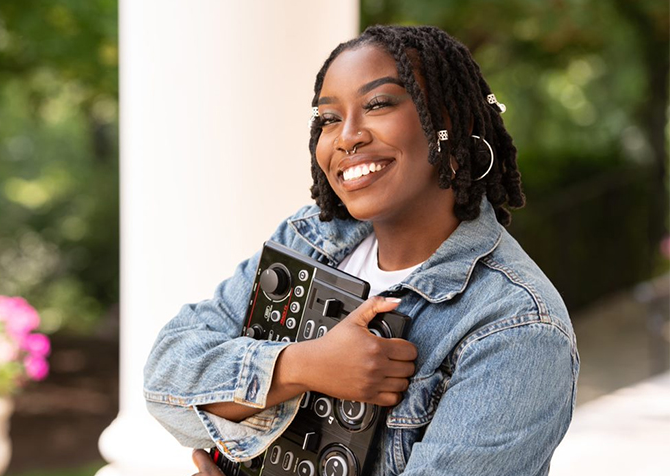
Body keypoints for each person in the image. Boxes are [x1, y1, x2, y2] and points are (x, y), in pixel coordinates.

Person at [144, 25, 578, 476]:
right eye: (329, 118)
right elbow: (165, 382)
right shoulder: (308, 238)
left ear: (452, 124)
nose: (347, 136)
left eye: (377, 104)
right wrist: (301, 367)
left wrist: (242, 395)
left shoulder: (517, 327)